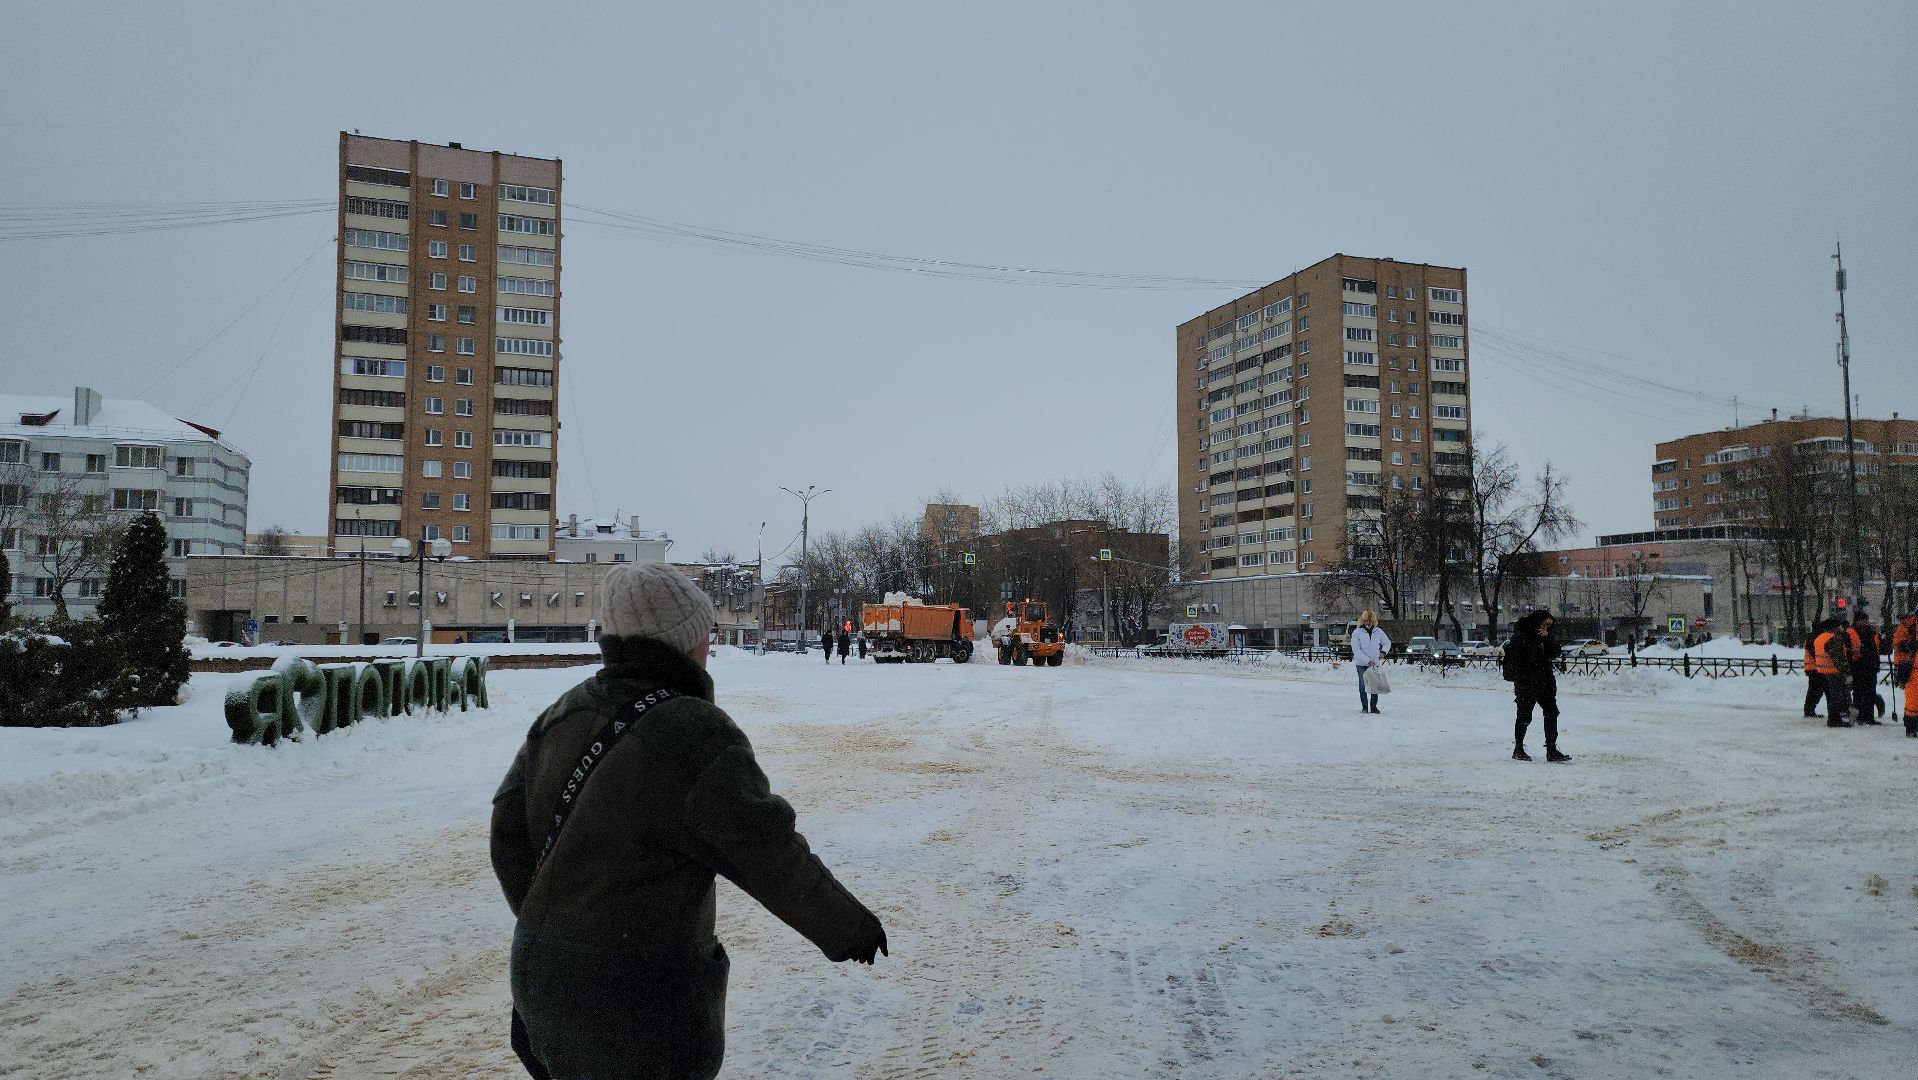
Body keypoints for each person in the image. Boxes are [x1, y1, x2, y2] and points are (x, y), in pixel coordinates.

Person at [490, 563, 887, 1079]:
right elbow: (768, 851)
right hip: (637, 1004)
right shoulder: (693, 732)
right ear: (684, 641)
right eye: (705, 631)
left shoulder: (565, 711)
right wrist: (848, 928)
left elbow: (507, 834)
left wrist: (559, 927)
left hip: (541, 984)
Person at [1507, 610, 1570, 762]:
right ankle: (1519, 748)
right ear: (1537, 622)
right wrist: (1536, 642)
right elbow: (1518, 656)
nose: (1547, 627)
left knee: (1551, 712)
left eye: (1549, 625)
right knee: (1524, 715)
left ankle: (1551, 749)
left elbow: (1555, 652)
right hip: (1526, 682)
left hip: (1544, 681)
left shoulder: (1545, 636)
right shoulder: (1522, 634)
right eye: (1545, 624)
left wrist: (1547, 639)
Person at [1809, 617, 1854, 728]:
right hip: (1834, 672)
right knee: (1836, 697)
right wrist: (1847, 674)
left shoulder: (1819, 638)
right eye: (1839, 626)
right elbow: (1839, 658)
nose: (1841, 628)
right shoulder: (1832, 638)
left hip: (1822, 671)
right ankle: (1834, 720)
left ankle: (1833, 718)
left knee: (1831, 697)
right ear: (1834, 627)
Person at [1348, 610, 1391, 715]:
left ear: (1374, 621)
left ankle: (1374, 706)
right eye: (1366, 620)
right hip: (1361, 664)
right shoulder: (1357, 632)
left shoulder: (1378, 631)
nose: (1368, 623)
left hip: (1375, 663)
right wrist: (1367, 661)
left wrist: (1383, 652)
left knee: (1374, 685)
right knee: (1363, 685)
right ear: (1362, 621)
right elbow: (1356, 650)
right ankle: (1364, 706)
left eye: (1370, 620)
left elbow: (1387, 642)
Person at [1849, 616, 1885, 724]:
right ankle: (1863, 716)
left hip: (1867, 667)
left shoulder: (1870, 634)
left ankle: (1866, 716)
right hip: (1861, 667)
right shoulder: (1857, 633)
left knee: (1866, 692)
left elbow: (1881, 649)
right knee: (1861, 692)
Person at [1800, 628, 1823, 719]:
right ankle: (1809, 711)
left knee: (1815, 690)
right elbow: (1815, 654)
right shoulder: (1813, 638)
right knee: (1814, 690)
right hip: (1814, 668)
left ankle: (1809, 710)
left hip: (1812, 668)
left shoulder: (1811, 637)